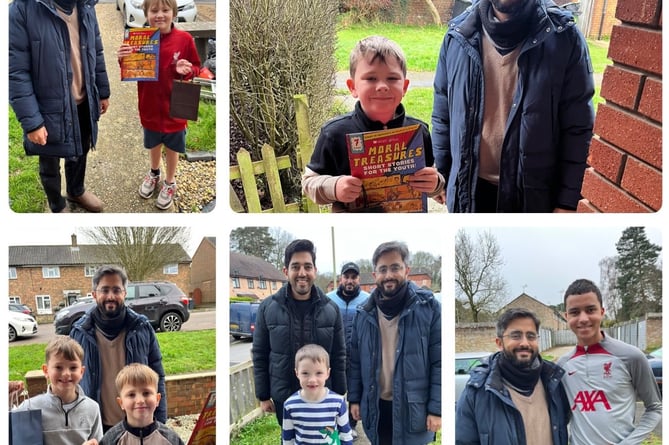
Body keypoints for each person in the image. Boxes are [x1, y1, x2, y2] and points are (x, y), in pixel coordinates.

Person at [431, 0, 595, 212]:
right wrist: (442, 174)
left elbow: (579, 128)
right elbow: (443, 113)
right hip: (468, 192)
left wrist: (567, 201)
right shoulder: (457, 36)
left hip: (532, 199)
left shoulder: (565, 38)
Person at [302, 35, 445, 212]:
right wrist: (335, 187)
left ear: (405, 87)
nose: (382, 86)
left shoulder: (418, 132)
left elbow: (431, 179)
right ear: (352, 87)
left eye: (392, 78)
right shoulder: (333, 133)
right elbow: (309, 183)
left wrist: (435, 183)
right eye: (371, 78)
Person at [9, 0, 110, 213]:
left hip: (83, 100)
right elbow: (15, 71)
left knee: (81, 149)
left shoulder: (86, 6)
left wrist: (102, 91)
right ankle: (57, 204)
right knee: (49, 162)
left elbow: (97, 49)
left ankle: (76, 190)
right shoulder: (22, 9)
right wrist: (32, 122)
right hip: (47, 108)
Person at [348, 241, 441, 444]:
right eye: (383, 269)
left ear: (406, 270)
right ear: (374, 275)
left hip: (414, 410)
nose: (389, 275)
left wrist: (436, 408)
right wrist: (354, 399)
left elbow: (439, 362)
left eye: (395, 267)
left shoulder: (429, 308)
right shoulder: (363, 314)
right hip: (377, 408)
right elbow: (355, 361)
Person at [252, 239, 347, 426]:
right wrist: (263, 395)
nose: (302, 273)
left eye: (307, 266)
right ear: (286, 271)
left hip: (322, 395)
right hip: (284, 397)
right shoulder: (267, 308)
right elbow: (260, 353)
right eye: (296, 266)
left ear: (315, 270)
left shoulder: (331, 309)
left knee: (322, 438)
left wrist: (341, 391)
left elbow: (339, 354)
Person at [117, 0, 201, 210]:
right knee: (153, 142)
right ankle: (154, 172)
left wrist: (187, 70)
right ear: (146, 14)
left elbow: (197, 67)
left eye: (165, 10)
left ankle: (170, 181)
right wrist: (123, 59)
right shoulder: (138, 40)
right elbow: (131, 68)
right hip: (150, 105)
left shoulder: (185, 39)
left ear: (173, 12)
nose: (160, 15)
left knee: (173, 146)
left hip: (176, 107)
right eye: (154, 10)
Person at [558, 279, 662, 444]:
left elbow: (655, 408)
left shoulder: (632, 356)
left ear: (602, 311)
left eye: (590, 310)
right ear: (566, 317)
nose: (583, 318)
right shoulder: (561, 366)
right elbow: (562, 416)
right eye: (575, 312)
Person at [70, 265, 167, 432]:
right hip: (97, 428)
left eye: (116, 290)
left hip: (138, 425)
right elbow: (72, 384)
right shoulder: (79, 333)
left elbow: (158, 377)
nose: (110, 296)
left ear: (124, 293)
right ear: (94, 294)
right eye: (104, 290)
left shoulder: (142, 328)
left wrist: (160, 424)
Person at [455, 308, 570, 445]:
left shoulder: (554, 381)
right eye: (516, 336)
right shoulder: (477, 392)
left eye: (531, 336)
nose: (525, 343)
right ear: (499, 343)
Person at [12, 336, 103, 445]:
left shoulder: (92, 408)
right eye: (59, 367)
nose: (66, 373)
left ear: (82, 372)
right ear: (46, 371)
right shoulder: (29, 408)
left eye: (73, 368)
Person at [327, 261, 369, 439]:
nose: (350, 280)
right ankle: (333, 424)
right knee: (334, 390)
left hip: (357, 355)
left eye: (353, 277)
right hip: (334, 354)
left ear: (358, 279)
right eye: (346, 277)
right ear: (341, 278)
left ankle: (351, 425)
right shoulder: (328, 299)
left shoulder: (367, 299)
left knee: (355, 390)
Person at [282, 344, 354, 445]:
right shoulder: (290, 405)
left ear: (327, 373)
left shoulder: (338, 402)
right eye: (305, 373)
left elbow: (345, 435)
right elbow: (287, 438)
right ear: (297, 373)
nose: (312, 380)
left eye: (319, 373)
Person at [100, 364, 184, 445]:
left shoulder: (171, 439)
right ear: (121, 403)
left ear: (157, 399)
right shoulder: (111, 440)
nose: (140, 400)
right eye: (131, 395)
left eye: (146, 393)